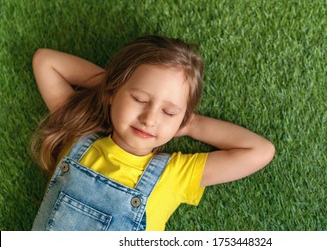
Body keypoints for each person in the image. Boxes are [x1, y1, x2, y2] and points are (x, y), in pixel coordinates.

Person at [30, 35, 275, 231]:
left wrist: (191, 124)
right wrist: (113, 85)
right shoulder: (80, 135)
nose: (149, 119)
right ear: (112, 92)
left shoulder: (175, 174)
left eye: (168, 112)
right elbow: (45, 61)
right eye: (138, 98)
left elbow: (260, 151)